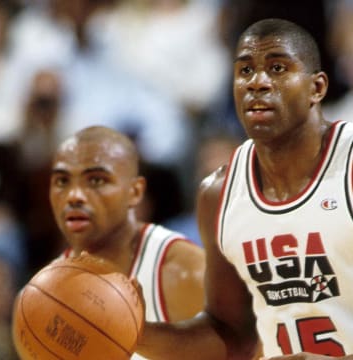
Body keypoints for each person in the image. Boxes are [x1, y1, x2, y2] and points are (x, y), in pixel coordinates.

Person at [135, 18, 353, 359]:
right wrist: (132, 332)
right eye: (246, 71)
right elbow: (229, 335)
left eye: (278, 68)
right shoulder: (218, 193)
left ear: (317, 87)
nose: (258, 83)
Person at [48, 125, 205, 359]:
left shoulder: (184, 270)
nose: (74, 195)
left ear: (135, 191)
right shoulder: (47, 291)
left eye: (96, 181)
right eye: (62, 181)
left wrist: (145, 337)